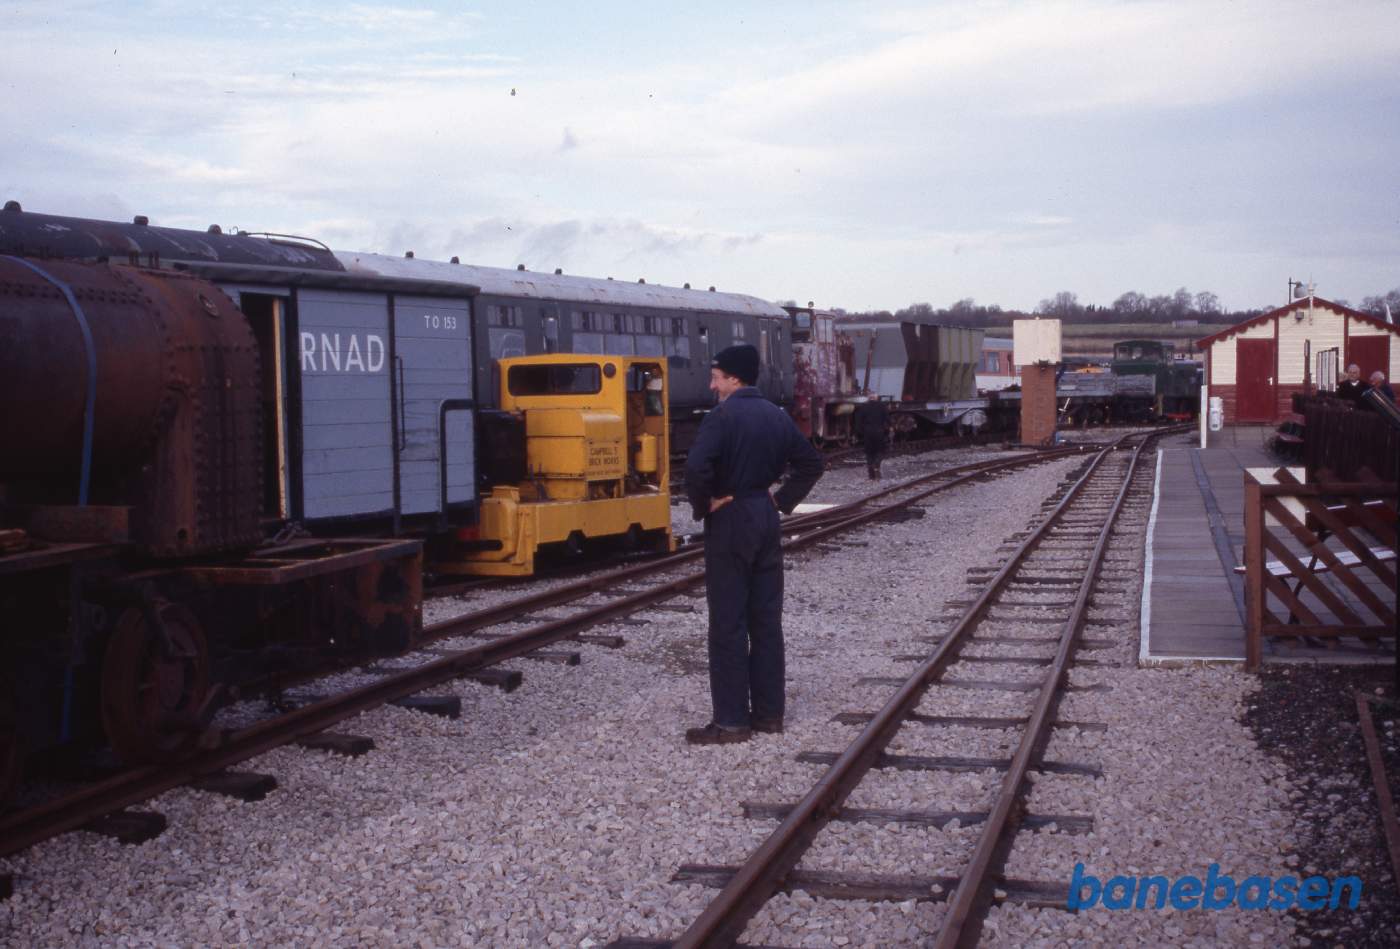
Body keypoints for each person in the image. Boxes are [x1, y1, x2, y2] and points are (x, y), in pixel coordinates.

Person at [683, 344, 824, 745]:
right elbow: (812, 464)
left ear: (735, 378)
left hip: (729, 517)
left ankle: (731, 721)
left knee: (728, 621)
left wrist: (703, 503)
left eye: (716, 377)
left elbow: (696, 469)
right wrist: (780, 502)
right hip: (765, 517)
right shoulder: (777, 418)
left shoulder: (721, 417)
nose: (712, 385)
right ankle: (768, 716)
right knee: (766, 619)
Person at [852, 392, 890, 480]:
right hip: (879, 432)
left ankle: (871, 474)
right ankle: (876, 464)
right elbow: (887, 419)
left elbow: (858, 422)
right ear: (876, 398)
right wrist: (888, 430)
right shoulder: (882, 406)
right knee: (880, 450)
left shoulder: (863, 407)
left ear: (869, 398)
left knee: (869, 452)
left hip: (867, 432)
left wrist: (859, 433)